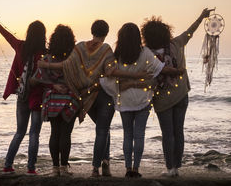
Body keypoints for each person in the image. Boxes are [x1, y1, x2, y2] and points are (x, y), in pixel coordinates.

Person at [38, 20, 149, 177]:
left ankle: (98, 167)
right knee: (103, 130)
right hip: (104, 95)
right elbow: (111, 72)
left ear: (92, 30)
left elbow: (66, 65)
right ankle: (100, 166)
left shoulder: (80, 48)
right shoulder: (106, 49)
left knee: (101, 130)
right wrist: (136, 75)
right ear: (106, 33)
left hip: (88, 97)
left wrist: (46, 65)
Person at [100, 23, 182, 178]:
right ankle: (136, 169)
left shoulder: (117, 54)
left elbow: (109, 73)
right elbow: (160, 68)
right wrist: (176, 71)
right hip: (143, 100)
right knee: (139, 135)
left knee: (127, 135)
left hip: (124, 100)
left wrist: (126, 78)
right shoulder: (144, 52)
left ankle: (127, 168)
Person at [140, 8, 213, 177]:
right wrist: (202, 16)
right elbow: (190, 31)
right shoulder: (175, 44)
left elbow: (145, 77)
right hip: (181, 95)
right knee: (178, 131)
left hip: (162, 100)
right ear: (166, 33)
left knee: (167, 134)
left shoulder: (146, 53)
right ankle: (177, 167)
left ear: (147, 36)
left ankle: (170, 168)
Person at [0, 8, 46, 175]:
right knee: (34, 133)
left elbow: (4, 33)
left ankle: (7, 165)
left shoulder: (20, 46)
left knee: (20, 132)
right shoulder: (43, 54)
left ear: (29, 33)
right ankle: (31, 169)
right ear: (43, 35)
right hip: (37, 98)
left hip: (22, 96)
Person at [35, 25, 79, 176]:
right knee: (66, 134)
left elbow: (40, 78)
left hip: (52, 99)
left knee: (55, 133)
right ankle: (64, 168)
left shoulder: (47, 59)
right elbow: (78, 78)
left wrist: (53, 85)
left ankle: (55, 168)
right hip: (69, 100)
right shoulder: (73, 58)